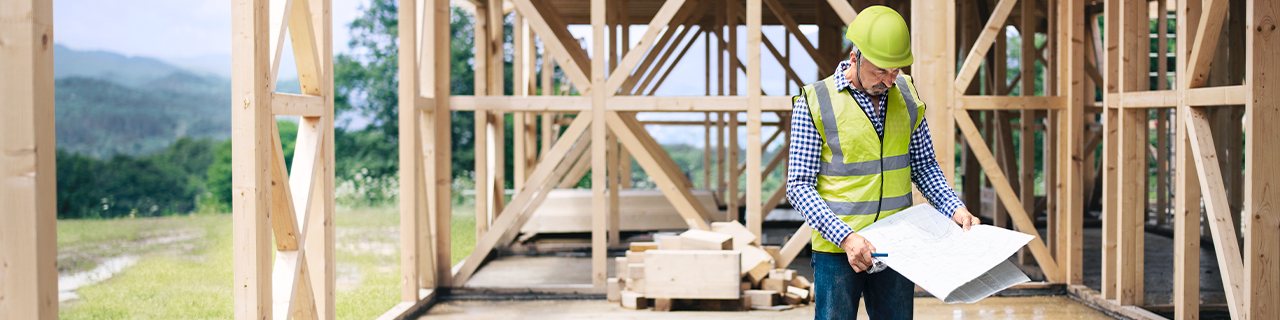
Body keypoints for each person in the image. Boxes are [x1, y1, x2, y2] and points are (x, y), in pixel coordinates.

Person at [784, 5, 981, 320]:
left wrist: (954, 208)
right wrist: (846, 237)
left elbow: (924, 166)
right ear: (855, 56)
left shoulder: (906, 95)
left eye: (896, 70)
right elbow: (798, 186)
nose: (890, 81)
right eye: (880, 71)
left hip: (896, 247)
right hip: (838, 251)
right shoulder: (816, 102)